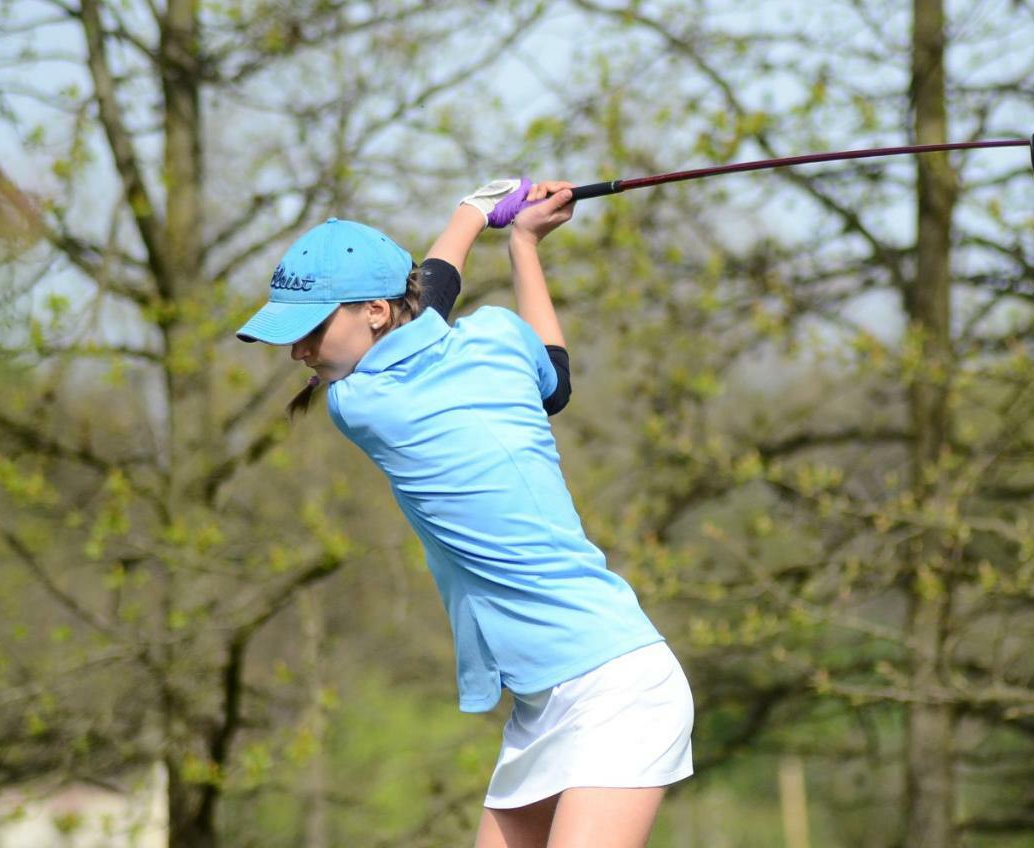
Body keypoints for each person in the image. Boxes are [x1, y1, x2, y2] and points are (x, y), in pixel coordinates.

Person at [236, 179, 694, 848]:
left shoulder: (360, 404)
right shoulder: (502, 341)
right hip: (545, 702)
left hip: (614, 687)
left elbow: (432, 292)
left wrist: (476, 216)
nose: (298, 351)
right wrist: (521, 245)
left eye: (310, 329)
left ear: (372, 310)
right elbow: (555, 381)